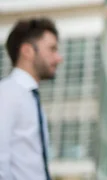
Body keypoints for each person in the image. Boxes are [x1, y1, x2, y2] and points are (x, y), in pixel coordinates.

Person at [0, 18, 63, 180]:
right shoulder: (7, 94)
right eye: (52, 49)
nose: (58, 58)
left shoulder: (30, 97)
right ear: (27, 51)